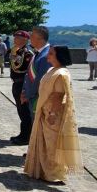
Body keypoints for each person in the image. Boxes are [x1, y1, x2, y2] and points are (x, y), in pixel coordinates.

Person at [24, 45, 82, 183]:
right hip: (44, 110)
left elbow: (58, 95)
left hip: (52, 113)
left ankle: (53, 173)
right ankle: (41, 169)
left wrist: (52, 113)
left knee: (52, 144)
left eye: (51, 54)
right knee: (43, 142)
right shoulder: (52, 70)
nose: (48, 56)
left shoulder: (62, 74)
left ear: (59, 56)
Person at [21, 25, 50, 120]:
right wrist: (24, 91)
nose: (30, 39)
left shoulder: (46, 56)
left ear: (40, 38)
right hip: (32, 96)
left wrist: (28, 95)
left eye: (32, 36)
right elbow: (29, 75)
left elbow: (40, 80)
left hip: (37, 99)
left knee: (38, 129)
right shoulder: (39, 53)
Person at [9, 30, 33, 145]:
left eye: (17, 38)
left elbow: (24, 70)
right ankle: (23, 134)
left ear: (24, 39)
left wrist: (25, 88)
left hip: (22, 84)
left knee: (25, 112)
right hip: (16, 83)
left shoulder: (27, 53)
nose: (14, 39)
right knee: (20, 110)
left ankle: (26, 137)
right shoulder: (17, 51)